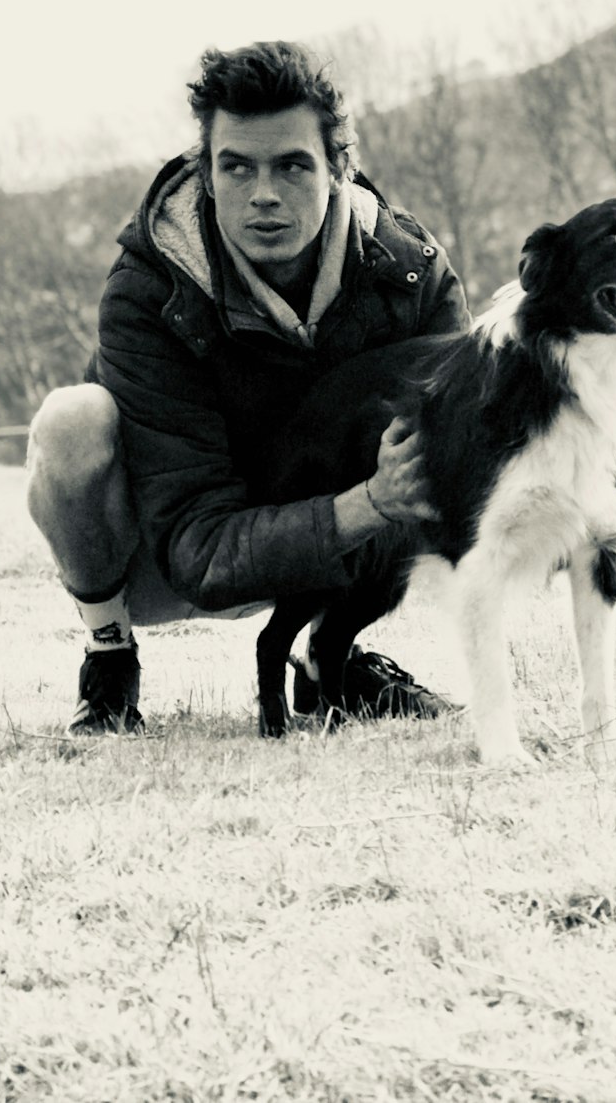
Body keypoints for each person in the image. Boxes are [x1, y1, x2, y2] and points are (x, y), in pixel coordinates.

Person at [26, 40, 470, 734]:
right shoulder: (148, 288)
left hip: (325, 541)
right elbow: (199, 549)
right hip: (170, 555)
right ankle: (109, 653)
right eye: (237, 167)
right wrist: (368, 504)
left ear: (339, 170)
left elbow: (454, 483)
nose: (264, 194)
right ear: (206, 173)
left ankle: (331, 657)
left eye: (293, 165)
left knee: (443, 442)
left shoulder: (411, 274)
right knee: (69, 422)